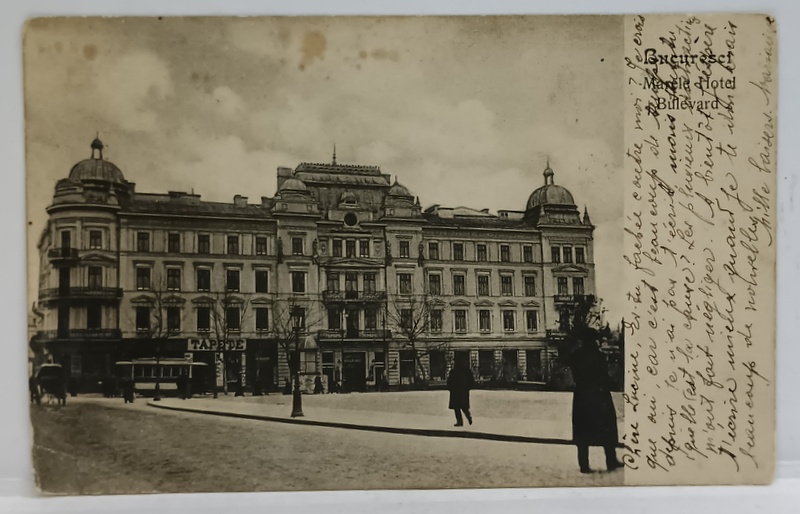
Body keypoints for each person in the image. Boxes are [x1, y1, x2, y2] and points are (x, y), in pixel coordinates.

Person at [568, 337, 623, 473]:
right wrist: (614, 384)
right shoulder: (599, 356)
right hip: (599, 396)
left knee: (583, 432)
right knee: (607, 428)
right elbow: (603, 376)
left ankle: (584, 465)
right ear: (594, 341)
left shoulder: (576, 356)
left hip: (582, 397)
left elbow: (575, 375)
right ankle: (611, 460)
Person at [447, 360, 474, 427]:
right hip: (463, 392)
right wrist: (467, 388)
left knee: (457, 408)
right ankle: (468, 417)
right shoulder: (466, 371)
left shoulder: (453, 372)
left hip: (455, 392)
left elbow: (449, 382)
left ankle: (459, 421)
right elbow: (471, 381)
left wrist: (450, 388)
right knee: (464, 407)